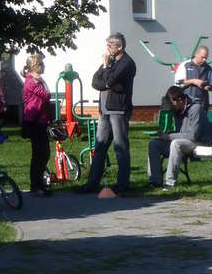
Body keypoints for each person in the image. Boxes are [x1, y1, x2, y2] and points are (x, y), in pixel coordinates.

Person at [79, 32, 136, 194]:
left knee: (120, 147)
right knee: (100, 146)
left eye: (110, 46)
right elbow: (95, 81)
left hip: (118, 109)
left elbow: (110, 80)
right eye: (107, 45)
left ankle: (123, 185)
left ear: (120, 47)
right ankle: (91, 184)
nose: (108, 49)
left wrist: (106, 70)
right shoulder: (110, 60)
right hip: (104, 110)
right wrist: (107, 79)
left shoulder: (127, 63)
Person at [146, 85, 199, 188]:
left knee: (175, 143)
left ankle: (170, 182)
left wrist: (169, 136)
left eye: (171, 103)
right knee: (153, 144)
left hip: (198, 142)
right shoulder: (178, 110)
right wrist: (165, 133)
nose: (171, 106)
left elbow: (193, 135)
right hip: (183, 141)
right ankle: (155, 180)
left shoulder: (196, 109)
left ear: (179, 100)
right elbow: (180, 132)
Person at [21, 54, 51, 197]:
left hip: (41, 121)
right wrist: (43, 84)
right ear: (36, 66)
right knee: (39, 155)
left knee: (44, 154)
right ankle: (35, 185)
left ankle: (40, 182)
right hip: (34, 122)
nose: (44, 66)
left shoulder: (38, 81)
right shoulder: (31, 82)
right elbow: (46, 95)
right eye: (42, 64)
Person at [175, 45, 212, 143]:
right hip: (186, 105)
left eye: (206, 57)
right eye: (202, 57)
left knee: (198, 131)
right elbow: (178, 82)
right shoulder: (185, 65)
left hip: (202, 105)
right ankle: (182, 153)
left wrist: (208, 87)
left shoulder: (209, 69)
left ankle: (196, 153)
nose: (204, 59)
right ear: (196, 54)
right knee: (184, 130)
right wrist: (193, 81)